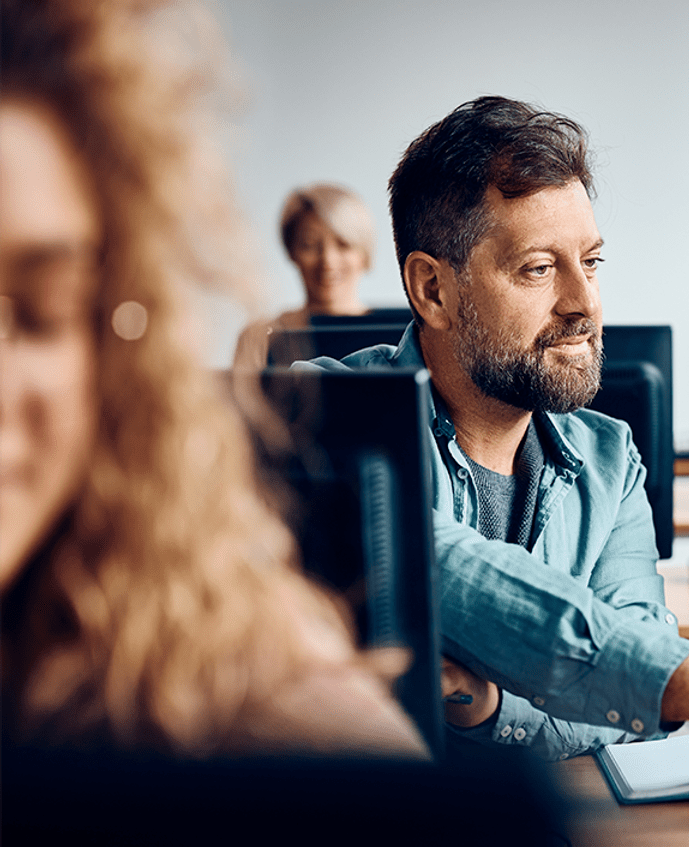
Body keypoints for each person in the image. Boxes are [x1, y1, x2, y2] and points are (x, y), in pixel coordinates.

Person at [300, 95, 689, 812]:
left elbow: (634, 719)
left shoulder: (610, 458)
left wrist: (485, 703)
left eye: (591, 261)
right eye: (537, 269)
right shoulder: (322, 414)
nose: (584, 302)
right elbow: (424, 558)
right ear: (432, 289)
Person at [0, 0, 425, 759]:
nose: (324, 262)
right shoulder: (261, 339)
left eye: (39, 315)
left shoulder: (204, 642)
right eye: (308, 247)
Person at [232, 183, 375, 367]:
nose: (328, 262)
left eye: (343, 244)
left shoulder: (407, 335)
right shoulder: (259, 339)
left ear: (364, 254)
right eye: (309, 244)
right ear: (291, 251)